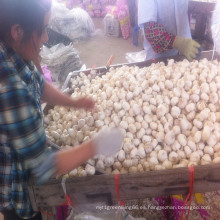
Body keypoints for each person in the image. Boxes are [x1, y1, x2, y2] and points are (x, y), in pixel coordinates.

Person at [0, 0, 123, 219]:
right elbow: (43, 165)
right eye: (43, 29)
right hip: (16, 186)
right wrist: (96, 145)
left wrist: (74, 102)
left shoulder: (12, 49)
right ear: (18, 31)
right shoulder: (10, 90)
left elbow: (37, 83)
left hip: (23, 153)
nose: (47, 38)